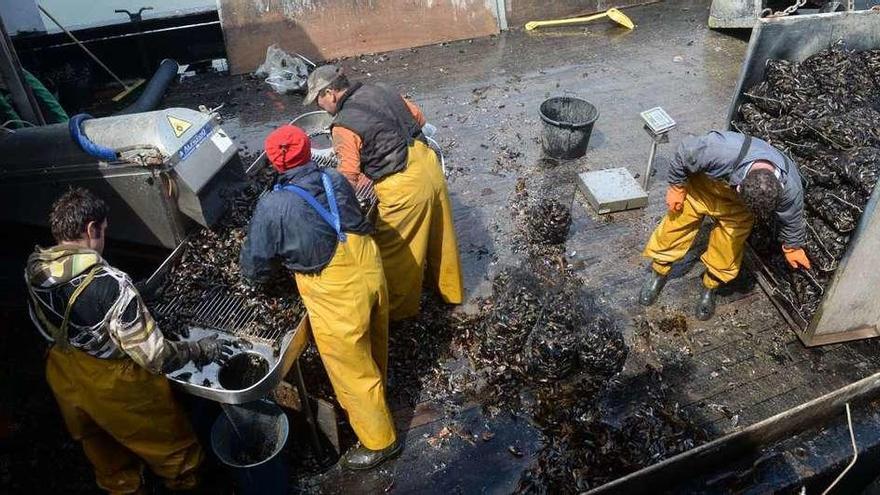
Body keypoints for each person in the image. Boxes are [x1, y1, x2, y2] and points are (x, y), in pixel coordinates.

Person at [25, 187, 234, 494]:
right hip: (114, 386)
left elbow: (68, 307)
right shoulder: (112, 286)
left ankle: (124, 487)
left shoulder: (35, 267)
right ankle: (187, 483)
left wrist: (138, 292)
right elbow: (157, 357)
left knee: (103, 451)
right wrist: (198, 350)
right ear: (91, 229)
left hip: (64, 373)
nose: (104, 238)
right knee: (172, 449)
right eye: (104, 231)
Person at [239, 125, 399, 470]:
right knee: (374, 340)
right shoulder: (334, 178)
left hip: (335, 292)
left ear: (274, 162)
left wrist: (260, 280)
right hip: (367, 266)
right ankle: (379, 393)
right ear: (308, 151)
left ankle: (380, 441)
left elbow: (256, 263)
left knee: (350, 370)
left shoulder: (273, 204)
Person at [303, 64, 464, 321]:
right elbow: (418, 118)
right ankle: (451, 294)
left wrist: (336, 214)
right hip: (428, 164)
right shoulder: (382, 89)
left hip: (403, 186)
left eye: (318, 100)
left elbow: (348, 178)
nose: (320, 107)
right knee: (440, 237)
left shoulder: (343, 126)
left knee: (394, 253)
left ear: (330, 93)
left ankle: (396, 315)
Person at [639, 130, 810, 320]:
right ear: (739, 186)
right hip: (702, 190)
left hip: (737, 209)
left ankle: (710, 288)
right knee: (673, 230)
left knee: (728, 249)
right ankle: (658, 275)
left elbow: (793, 216)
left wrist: (792, 246)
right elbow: (684, 152)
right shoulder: (719, 150)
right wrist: (677, 186)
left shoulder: (790, 188)